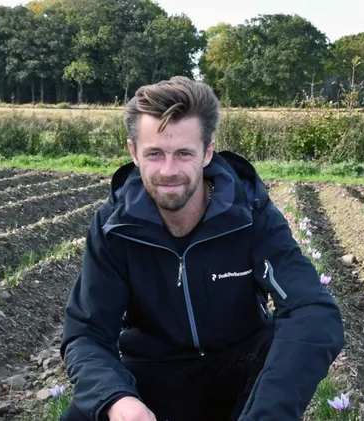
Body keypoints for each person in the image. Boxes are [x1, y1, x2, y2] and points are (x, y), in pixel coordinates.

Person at [58, 76, 345, 421]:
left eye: (183, 153)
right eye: (154, 154)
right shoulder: (114, 227)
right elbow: (86, 334)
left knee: (279, 340)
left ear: (207, 152)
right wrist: (118, 401)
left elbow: (313, 311)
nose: (169, 171)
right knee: (89, 410)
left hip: (239, 370)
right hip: (153, 375)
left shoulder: (248, 212)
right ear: (133, 152)